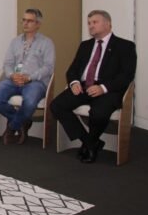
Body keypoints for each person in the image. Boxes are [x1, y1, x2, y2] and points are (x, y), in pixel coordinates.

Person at [50, 10, 136, 163]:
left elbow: (126, 76)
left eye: (95, 22)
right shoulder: (85, 45)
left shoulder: (125, 46)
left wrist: (103, 87)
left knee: (98, 113)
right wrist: (74, 82)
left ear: (107, 24)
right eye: (89, 23)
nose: (91, 26)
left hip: (108, 90)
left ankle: (89, 144)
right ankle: (90, 142)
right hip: (83, 86)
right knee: (57, 105)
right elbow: (72, 70)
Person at [0, 8, 55, 145]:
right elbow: (7, 63)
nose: (25, 23)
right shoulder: (15, 42)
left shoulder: (47, 43)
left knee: (30, 102)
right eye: (24, 20)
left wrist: (29, 77)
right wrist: (12, 75)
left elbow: (48, 67)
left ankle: (12, 127)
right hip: (14, 79)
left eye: (29, 21)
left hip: (35, 82)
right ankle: (23, 122)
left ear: (38, 24)